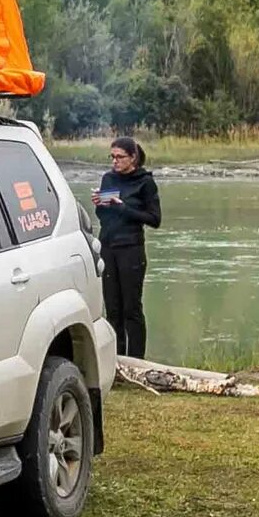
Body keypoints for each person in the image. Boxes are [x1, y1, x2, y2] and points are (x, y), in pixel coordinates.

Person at [93, 135, 160, 362]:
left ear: (133, 158)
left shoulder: (145, 182)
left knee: (131, 308)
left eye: (119, 157)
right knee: (113, 309)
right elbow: (103, 216)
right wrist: (100, 204)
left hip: (131, 249)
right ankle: (117, 361)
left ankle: (137, 361)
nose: (115, 161)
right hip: (108, 246)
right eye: (112, 157)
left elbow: (154, 219)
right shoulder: (108, 179)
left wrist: (123, 208)